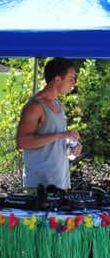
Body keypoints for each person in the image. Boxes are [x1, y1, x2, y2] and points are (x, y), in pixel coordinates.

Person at [16, 58, 79, 191]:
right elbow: (22, 142)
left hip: (60, 183)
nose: (74, 83)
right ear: (57, 79)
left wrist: (72, 147)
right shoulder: (35, 106)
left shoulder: (59, 106)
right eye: (71, 78)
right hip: (39, 187)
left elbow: (55, 143)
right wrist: (60, 135)